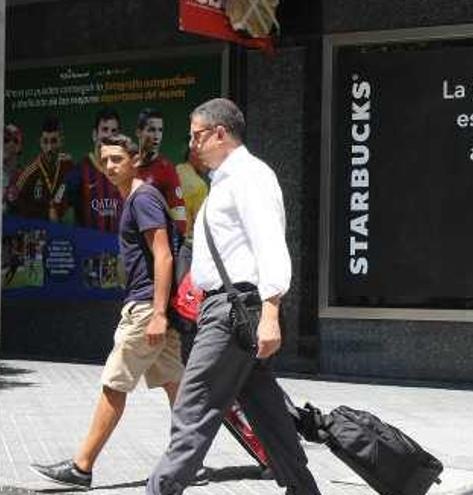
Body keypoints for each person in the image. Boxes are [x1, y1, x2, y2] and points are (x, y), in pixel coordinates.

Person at [146, 98, 320, 495]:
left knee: (195, 406)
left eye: (196, 136)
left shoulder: (250, 177)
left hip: (235, 312)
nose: (192, 145)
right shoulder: (227, 180)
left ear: (220, 133)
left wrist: (272, 312)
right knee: (265, 409)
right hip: (231, 310)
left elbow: (270, 244)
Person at [30, 134, 184, 490]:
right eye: (105, 160)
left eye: (117, 158)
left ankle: (81, 468)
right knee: (177, 387)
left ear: (134, 159)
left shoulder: (142, 197)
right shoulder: (136, 197)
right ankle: (191, 457)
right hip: (152, 306)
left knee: (114, 384)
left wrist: (159, 313)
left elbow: (163, 254)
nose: (111, 166)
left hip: (147, 309)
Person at [11, 116, 77, 222]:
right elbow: (14, 204)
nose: (49, 148)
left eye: (54, 141)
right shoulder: (30, 172)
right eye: (45, 142)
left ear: (62, 141)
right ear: (40, 142)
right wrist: (45, 213)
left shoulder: (68, 166)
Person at [135, 108, 188, 235]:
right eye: (151, 130)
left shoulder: (166, 169)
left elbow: (180, 219)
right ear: (139, 132)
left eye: (160, 130)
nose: (157, 136)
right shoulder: (127, 166)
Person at [77, 107, 123, 232]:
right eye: (104, 129)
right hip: (90, 249)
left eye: (114, 131)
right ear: (94, 135)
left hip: (119, 249)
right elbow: (55, 209)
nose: (109, 135)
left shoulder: (127, 172)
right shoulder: (80, 170)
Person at [3, 123, 24, 213]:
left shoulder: (23, 177)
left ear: (19, 147)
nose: (10, 144)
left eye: (15, 141)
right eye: (5, 140)